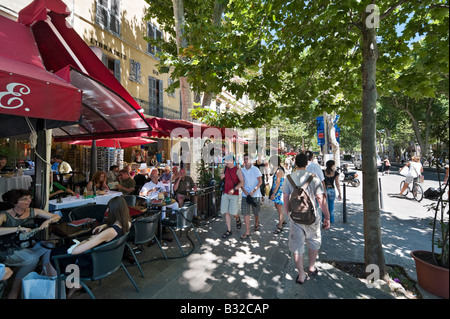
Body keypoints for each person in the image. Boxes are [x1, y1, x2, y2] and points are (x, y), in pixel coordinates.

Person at [50, 196, 131, 298]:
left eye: (108, 208)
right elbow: (114, 227)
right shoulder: (127, 224)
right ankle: (73, 286)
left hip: (94, 265)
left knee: (55, 254)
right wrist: (105, 226)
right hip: (108, 260)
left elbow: (75, 251)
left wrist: (89, 240)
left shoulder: (110, 232)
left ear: (114, 211)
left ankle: (63, 288)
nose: (106, 210)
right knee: (64, 253)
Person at [0, 189, 61, 299]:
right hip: (8, 250)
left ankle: (48, 278)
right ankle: (14, 292)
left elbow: (56, 216)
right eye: (25, 199)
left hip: (28, 246)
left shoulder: (33, 211)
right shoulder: (4, 215)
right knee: (32, 260)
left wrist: (48, 221)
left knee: (49, 247)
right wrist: (17, 229)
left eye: (29, 198)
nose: (29, 201)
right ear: (14, 202)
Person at [282, 153, 331, 285]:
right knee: (314, 242)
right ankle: (311, 267)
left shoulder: (288, 178)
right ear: (307, 164)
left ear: (295, 163)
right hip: (311, 217)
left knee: (297, 247)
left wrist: (288, 214)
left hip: (295, 218)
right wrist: (327, 216)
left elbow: (285, 198)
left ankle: (301, 275)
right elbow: (321, 199)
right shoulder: (313, 178)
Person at [220, 154, 244, 239]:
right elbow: (222, 177)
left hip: (234, 194)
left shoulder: (238, 170)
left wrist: (234, 189)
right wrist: (222, 176)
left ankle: (237, 218)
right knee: (226, 212)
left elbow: (242, 182)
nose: (226, 162)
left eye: (228, 161)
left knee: (233, 212)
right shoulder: (225, 168)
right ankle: (229, 230)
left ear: (232, 161)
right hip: (225, 193)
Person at [240, 154, 263, 239]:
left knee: (256, 212)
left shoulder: (255, 169)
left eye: (247, 159)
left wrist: (254, 190)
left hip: (255, 194)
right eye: (244, 159)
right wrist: (244, 190)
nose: (246, 160)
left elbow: (260, 181)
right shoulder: (242, 170)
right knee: (246, 213)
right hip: (245, 195)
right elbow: (240, 182)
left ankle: (256, 223)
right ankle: (247, 231)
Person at [270, 156, 286, 234]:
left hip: (278, 192)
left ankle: (280, 225)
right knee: (277, 206)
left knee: (279, 208)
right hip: (278, 191)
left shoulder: (279, 171)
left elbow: (278, 184)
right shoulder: (278, 169)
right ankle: (282, 220)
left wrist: (274, 193)